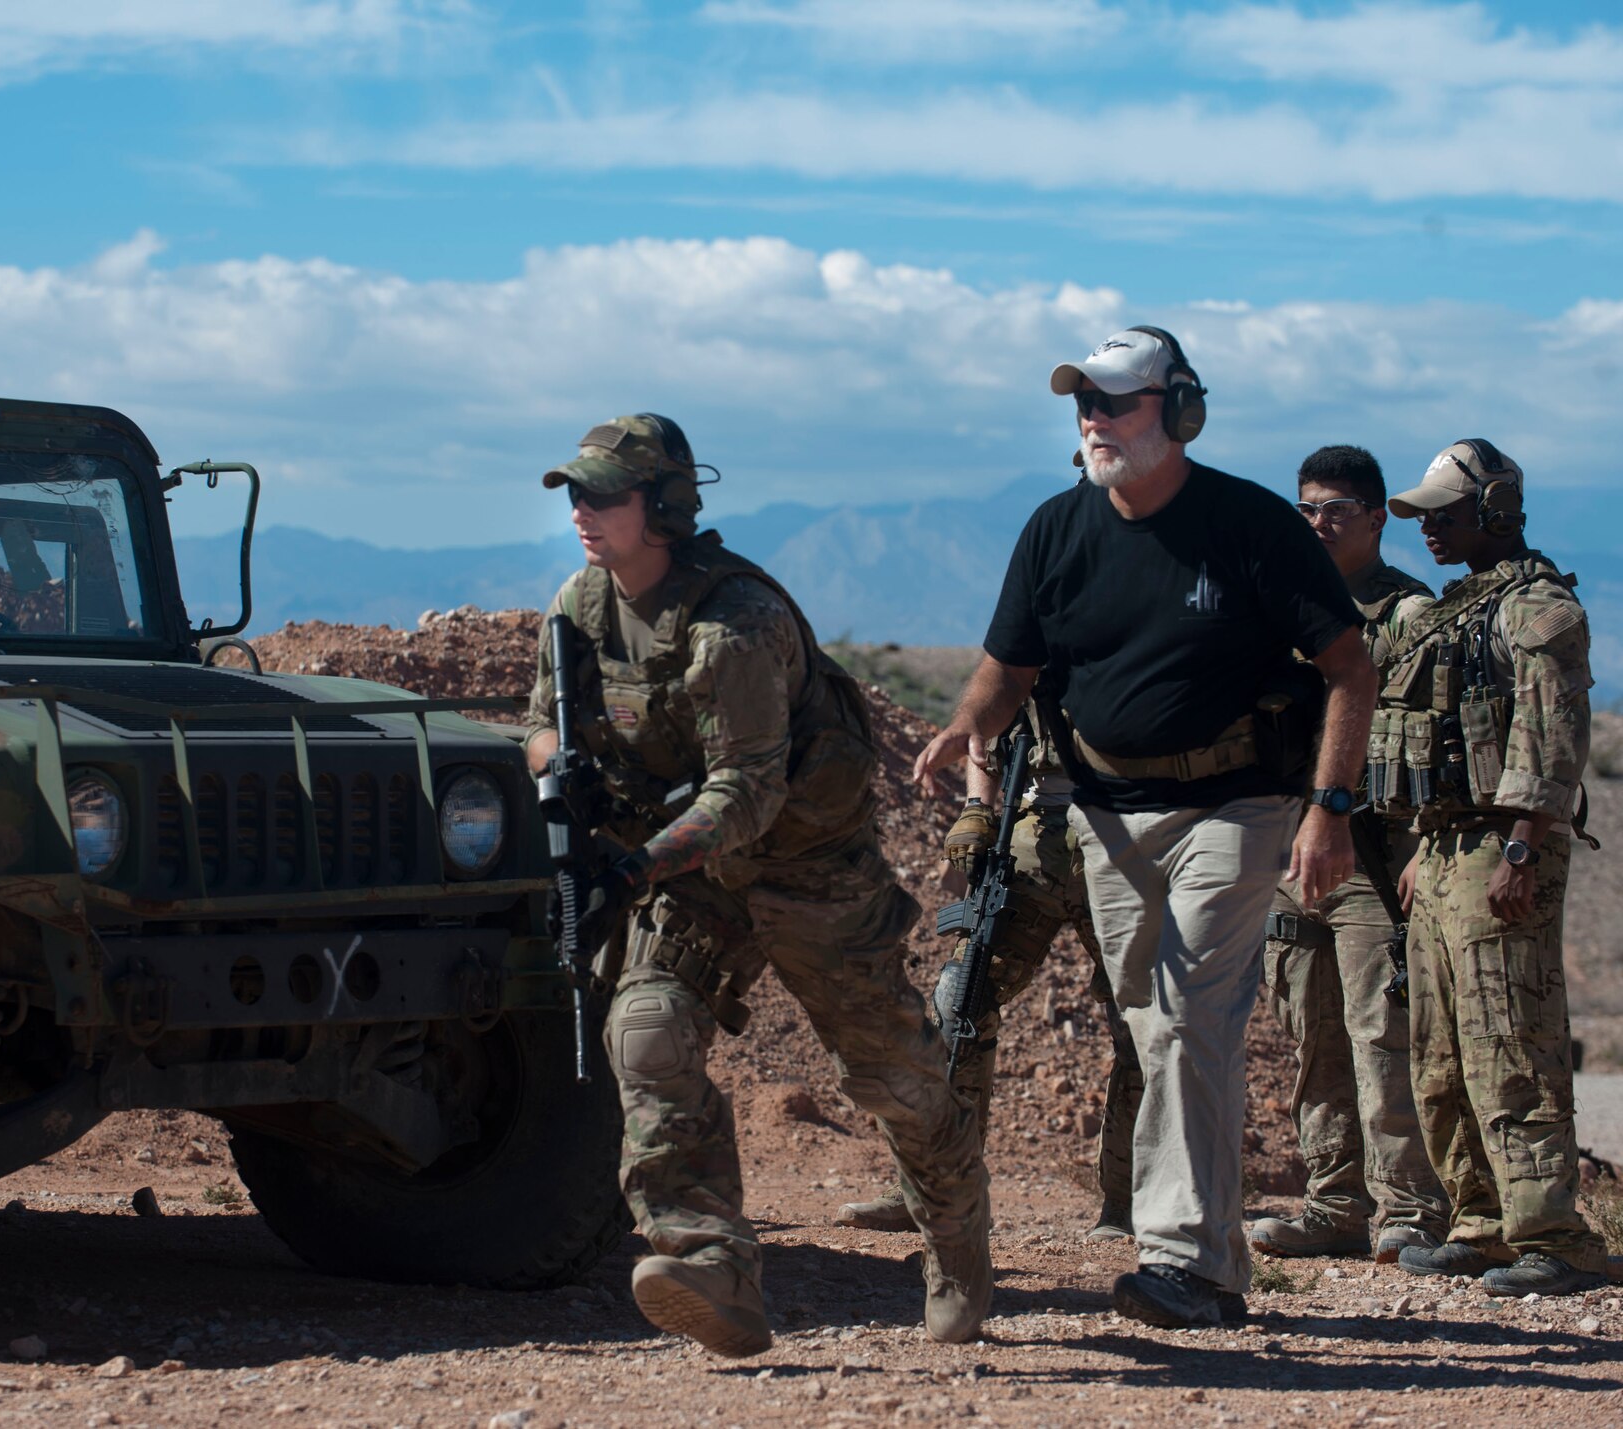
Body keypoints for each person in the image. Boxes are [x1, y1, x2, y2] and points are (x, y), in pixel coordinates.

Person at [913, 326, 1376, 1329]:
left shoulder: (1249, 525)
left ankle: (1188, 1264)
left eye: (1115, 401)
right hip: (1105, 815)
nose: (1092, 418)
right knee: (1154, 1021)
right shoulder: (1054, 529)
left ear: (1178, 413)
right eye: (1083, 401)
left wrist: (1327, 809)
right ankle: (1203, 1257)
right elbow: (1011, 665)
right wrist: (965, 724)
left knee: (1182, 1016)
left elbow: (1348, 668)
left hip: (1235, 805)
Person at [523, 414, 992, 1355]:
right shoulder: (579, 608)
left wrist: (636, 864)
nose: (582, 511)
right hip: (693, 875)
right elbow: (539, 717)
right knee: (646, 1031)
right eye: (575, 493)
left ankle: (955, 1238)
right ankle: (710, 1261)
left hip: (805, 865)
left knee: (896, 1079)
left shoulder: (736, 624)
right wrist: (557, 771)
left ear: (662, 506)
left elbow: (746, 790)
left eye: (604, 495)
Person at [1379, 440, 1608, 1296]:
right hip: (1445, 852)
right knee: (1440, 1052)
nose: (1432, 527)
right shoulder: (1458, 612)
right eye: (1426, 514)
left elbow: (1552, 744)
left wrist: (1520, 847)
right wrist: (1423, 853)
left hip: (1501, 849)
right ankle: (1479, 1220)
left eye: (1448, 510)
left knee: (1512, 1041)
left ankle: (1554, 1233)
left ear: (1499, 507)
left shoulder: (1536, 611)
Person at [834, 697, 1144, 1244]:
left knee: (1142, 1022)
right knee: (960, 999)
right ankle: (935, 1190)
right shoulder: (1038, 621)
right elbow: (986, 726)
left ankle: (1128, 1204)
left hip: (1129, 831)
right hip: (1032, 831)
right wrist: (978, 807)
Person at [1249, 446, 1450, 1263]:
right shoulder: (1284, 611)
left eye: (1335, 508)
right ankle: (1334, 1204)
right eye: (1306, 509)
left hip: (1373, 850)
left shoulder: (1409, 615)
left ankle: (1408, 1208)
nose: (1319, 523)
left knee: (1382, 1031)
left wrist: (1426, 844)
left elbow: (1441, 742)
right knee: (1312, 1034)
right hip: (1290, 855)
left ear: (1374, 517)